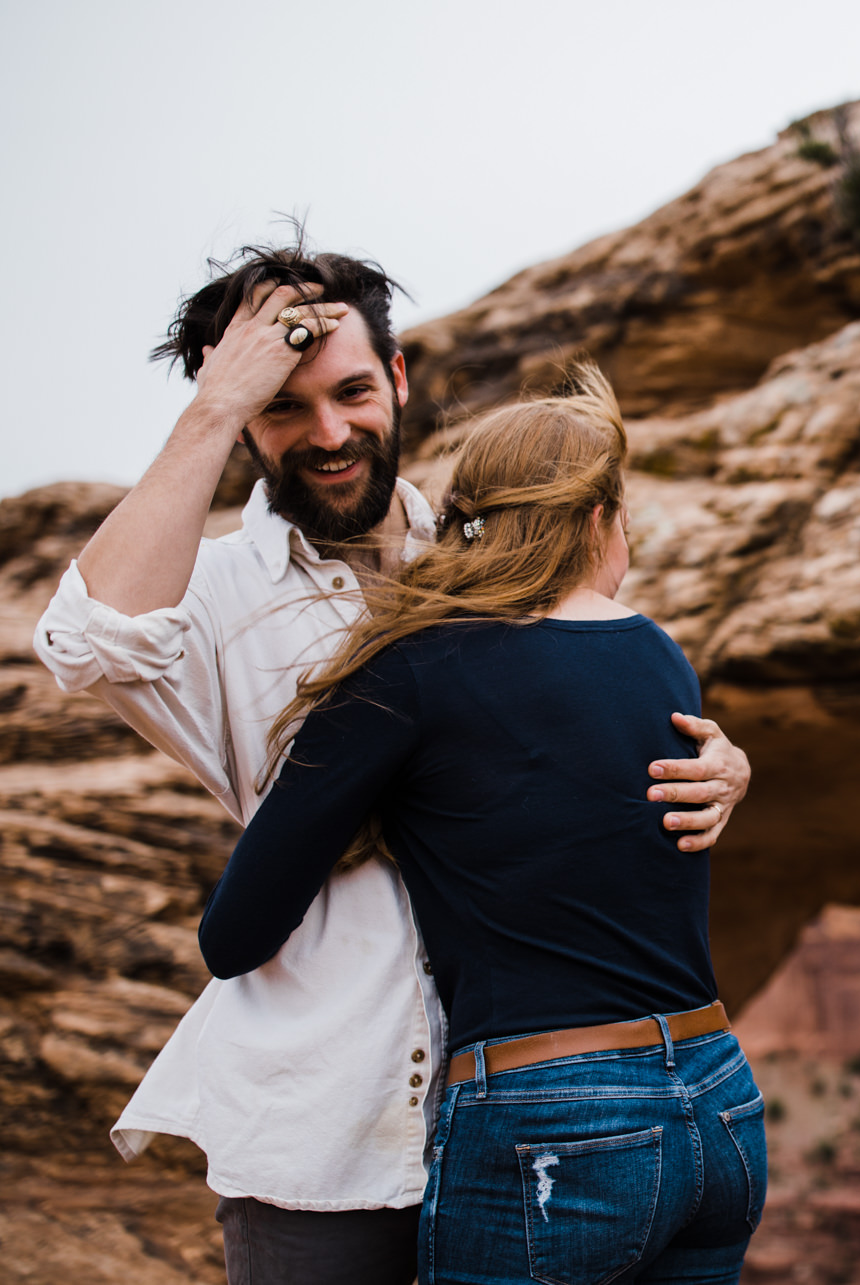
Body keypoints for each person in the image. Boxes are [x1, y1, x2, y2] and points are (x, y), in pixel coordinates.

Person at [34, 241, 752, 1284]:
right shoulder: (215, 591)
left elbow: (594, 719)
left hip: (540, 1115)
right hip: (328, 1133)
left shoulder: (488, 559)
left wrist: (723, 762)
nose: (329, 434)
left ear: (400, 378)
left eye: (353, 391)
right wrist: (210, 409)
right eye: (282, 406)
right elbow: (86, 645)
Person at [200, 364, 764, 1284]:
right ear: (594, 522)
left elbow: (234, 936)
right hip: (717, 1100)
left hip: (557, 1128)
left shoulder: (412, 668)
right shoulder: (661, 656)